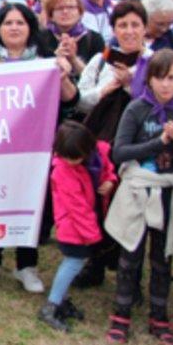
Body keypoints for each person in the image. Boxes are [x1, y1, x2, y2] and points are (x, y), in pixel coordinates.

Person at [0, 3, 81, 292]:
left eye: (20, 23)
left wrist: (62, 78)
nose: (14, 27)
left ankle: (27, 264)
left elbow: (72, 101)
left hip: (34, 149)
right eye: (8, 22)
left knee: (32, 202)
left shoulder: (45, 62)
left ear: (30, 29)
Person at [105, 49, 173, 345]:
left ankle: (159, 315)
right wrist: (157, 142)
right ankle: (121, 313)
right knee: (130, 254)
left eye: (172, 78)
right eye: (160, 77)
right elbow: (119, 152)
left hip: (169, 191)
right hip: (138, 189)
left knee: (162, 258)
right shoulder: (137, 109)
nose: (165, 85)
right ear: (149, 79)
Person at [39, 121, 117, 331]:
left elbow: (108, 169)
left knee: (74, 262)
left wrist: (110, 179)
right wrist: (93, 236)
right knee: (73, 262)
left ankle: (61, 301)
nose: (70, 161)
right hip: (74, 227)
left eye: (75, 157)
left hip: (89, 221)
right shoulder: (62, 172)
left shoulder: (99, 154)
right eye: (66, 157)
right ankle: (52, 305)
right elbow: (77, 208)